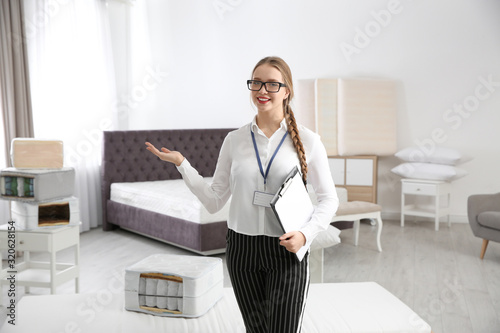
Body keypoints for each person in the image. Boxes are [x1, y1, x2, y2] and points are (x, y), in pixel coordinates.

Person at [145, 56, 338, 333]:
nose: (262, 90)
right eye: (256, 83)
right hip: (242, 250)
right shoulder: (234, 140)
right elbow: (214, 201)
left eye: (272, 84)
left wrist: (306, 235)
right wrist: (182, 164)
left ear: (287, 91)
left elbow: (329, 199)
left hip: (287, 247)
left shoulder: (308, 140)